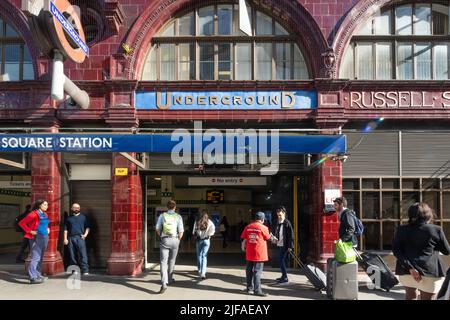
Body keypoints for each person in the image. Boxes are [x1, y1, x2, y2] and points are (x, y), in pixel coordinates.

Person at [393, 202, 450, 300]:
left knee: (410, 297)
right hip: (430, 271)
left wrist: (411, 268)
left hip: (406, 271)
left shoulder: (401, 229)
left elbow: (396, 251)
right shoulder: (436, 230)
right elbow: (446, 251)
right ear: (428, 214)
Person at [241, 211, 277, 297]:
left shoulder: (248, 226)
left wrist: (243, 246)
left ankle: (249, 288)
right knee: (257, 272)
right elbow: (268, 238)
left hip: (249, 253)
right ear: (262, 219)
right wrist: (273, 238)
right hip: (259, 254)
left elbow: (244, 238)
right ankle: (257, 291)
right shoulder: (263, 228)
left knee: (249, 270)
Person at [18, 199, 50, 284]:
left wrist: (47, 229)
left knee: (41, 257)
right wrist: (29, 231)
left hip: (45, 237)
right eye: (45, 205)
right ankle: (32, 277)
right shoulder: (33, 214)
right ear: (40, 205)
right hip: (36, 237)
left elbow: (44, 224)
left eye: (47, 205)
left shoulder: (45, 214)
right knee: (35, 257)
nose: (47, 206)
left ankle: (38, 274)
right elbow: (22, 223)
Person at [156, 200, 184, 294]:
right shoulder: (178, 216)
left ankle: (164, 283)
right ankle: (170, 279)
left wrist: (162, 236)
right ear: (175, 207)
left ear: (167, 207)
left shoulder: (162, 215)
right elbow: (181, 232)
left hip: (165, 239)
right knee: (172, 260)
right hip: (175, 240)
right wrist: (178, 240)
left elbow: (157, 229)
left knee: (163, 262)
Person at [64, 203, 90, 275]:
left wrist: (85, 235)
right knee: (72, 255)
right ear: (72, 209)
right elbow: (66, 229)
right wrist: (65, 239)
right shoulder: (69, 218)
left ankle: (85, 270)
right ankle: (75, 269)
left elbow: (87, 227)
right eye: (75, 207)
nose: (76, 209)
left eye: (78, 207)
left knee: (83, 254)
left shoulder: (84, 217)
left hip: (80, 237)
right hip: (71, 237)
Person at [273, 206, 294, 284]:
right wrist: (274, 238)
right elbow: (277, 233)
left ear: (284, 214)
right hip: (279, 244)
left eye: (280, 215)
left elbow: (291, 235)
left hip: (285, 245)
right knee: (280, 260)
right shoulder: (278, 222)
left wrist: (290, 246)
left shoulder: (287, 223)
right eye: (278, 215)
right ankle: (283, 276)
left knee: (281, 260)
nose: (279, 216)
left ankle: (285, 277)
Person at [192, 209, 215, 280]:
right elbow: (213, 231)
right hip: (207, 240)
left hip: (199, 241)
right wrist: (209, 235)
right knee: (204, 256)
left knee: (199, 255)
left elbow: (193, 232)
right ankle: (203, 273)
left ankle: (199, 270)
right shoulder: (210, 222)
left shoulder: (197, 222)